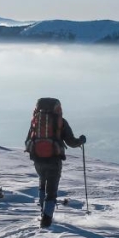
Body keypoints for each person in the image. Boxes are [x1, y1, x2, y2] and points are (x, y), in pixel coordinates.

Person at [24, 97, 86, 228]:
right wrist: (81, 141)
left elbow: (28, 140)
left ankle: (43, 212)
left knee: (42, 184)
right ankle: (46, 220)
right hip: (54, 160)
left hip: (37, 160)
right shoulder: (60, 122)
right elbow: (71, 142)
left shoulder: (35, 122)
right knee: (51, 191)